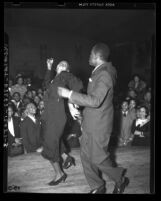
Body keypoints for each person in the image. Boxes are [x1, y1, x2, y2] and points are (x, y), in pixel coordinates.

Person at [58, 43, 129, 194]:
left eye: (90, 54)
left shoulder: (105, 74)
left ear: (97, 56)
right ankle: (97, 186)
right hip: (90, 121)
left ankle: (120, 179)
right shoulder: (99, 72)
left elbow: (95, 101)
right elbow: (93, 99)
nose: (88, 57)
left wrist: (69, 94)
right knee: (85, 155)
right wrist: (78, 105)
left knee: (98, 157)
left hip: (99, 125)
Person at [41, 58, 83, 185]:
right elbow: (46, 84)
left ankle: (59, 174)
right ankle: (66, 157)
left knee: (49, 145)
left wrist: (71, 103)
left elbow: (78, 85)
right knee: (52, 140)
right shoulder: (55, 80)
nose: (62, 64)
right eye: (60, 64)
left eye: (65, 65)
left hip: (56, 117)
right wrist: (49, 68)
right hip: (50, 116)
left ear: (67, 69)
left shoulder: (64, 75)